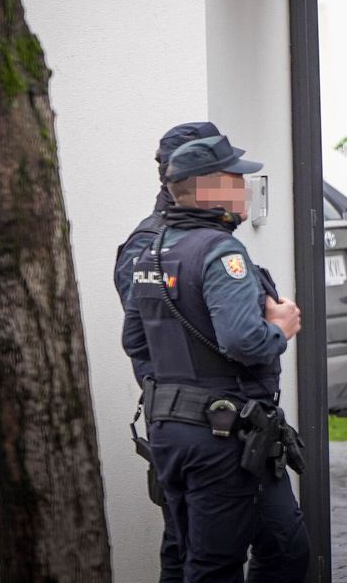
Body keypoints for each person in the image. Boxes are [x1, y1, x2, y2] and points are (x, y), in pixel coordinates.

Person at [122, 134, 310, 583]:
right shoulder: (220, 251)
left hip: (170, 433)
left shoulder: (151, 250)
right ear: (210, 188)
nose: (245, 187)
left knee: (201, 555)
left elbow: (135, 341)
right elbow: (244, 341)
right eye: (236, 179)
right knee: (215, 567)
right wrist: (281, 329)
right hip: (221, 437)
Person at [114, 120, 222, 583]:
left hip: (222, 416)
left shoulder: (206, 235)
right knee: (187, 545)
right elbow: (147, 340)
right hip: (185, 418)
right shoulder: (149, 244)